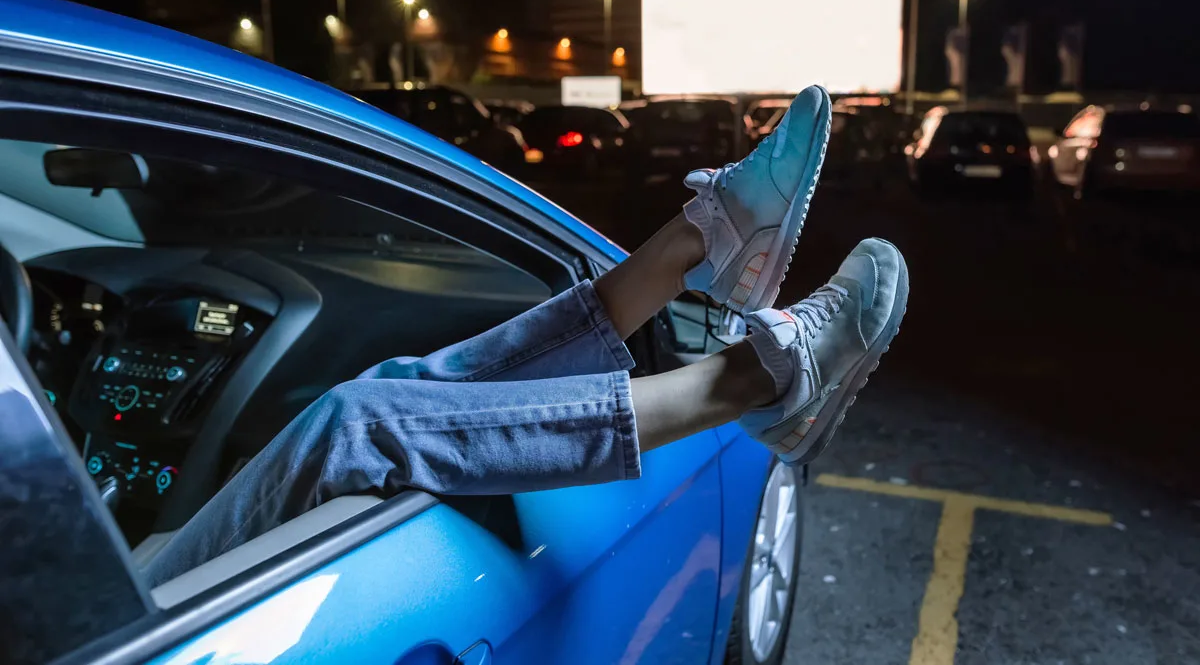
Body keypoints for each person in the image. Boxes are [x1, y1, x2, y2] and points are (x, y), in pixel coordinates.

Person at [143, 86, 909, 587]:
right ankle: (757, 381)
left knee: (393, 385)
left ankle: (700, 242)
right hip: (111, 630)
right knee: (355, 424)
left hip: (114, 582)